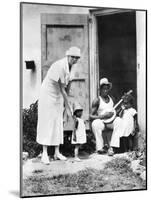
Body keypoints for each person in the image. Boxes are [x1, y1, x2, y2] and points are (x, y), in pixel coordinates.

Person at [36, 46, 81, 164]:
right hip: (48, 94)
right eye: (72, 57)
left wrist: (70, 104)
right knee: (47, 121)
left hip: (59, 95)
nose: (74, 59)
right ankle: (44, 153)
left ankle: (57, 152)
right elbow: (62, 89)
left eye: (77, 58)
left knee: (58, 122)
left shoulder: (72, 68)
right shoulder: (59, 66)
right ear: (68, 56)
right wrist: (69, 108)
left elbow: (68, 87)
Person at [90, 78, 123, 156]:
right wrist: (103, 116)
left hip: (110, 122)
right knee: (95, 123)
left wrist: (119, 110)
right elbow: (91, 116)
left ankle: (112, 147)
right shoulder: (97, 100)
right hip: (101, 122)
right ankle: (100, 148)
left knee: (119, 120)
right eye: (104, 89)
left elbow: (115, 112)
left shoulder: (112, 99)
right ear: (100, 89)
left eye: (107, 89)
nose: (105, 91)